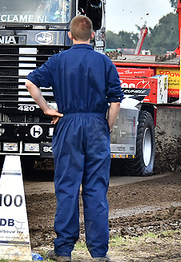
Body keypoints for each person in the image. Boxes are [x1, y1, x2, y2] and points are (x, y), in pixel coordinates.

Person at [25, 15, 123, 262]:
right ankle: (99, 254)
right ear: (92, 35)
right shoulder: (104, 62)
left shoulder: (58, 61)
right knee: (96, 189)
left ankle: (63, 251)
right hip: (96, 126)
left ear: (69, 35)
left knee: (67, 188)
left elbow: (30, 83)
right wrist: (105, 127)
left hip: (68, 123)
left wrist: (47, 108)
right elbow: (115, 102)